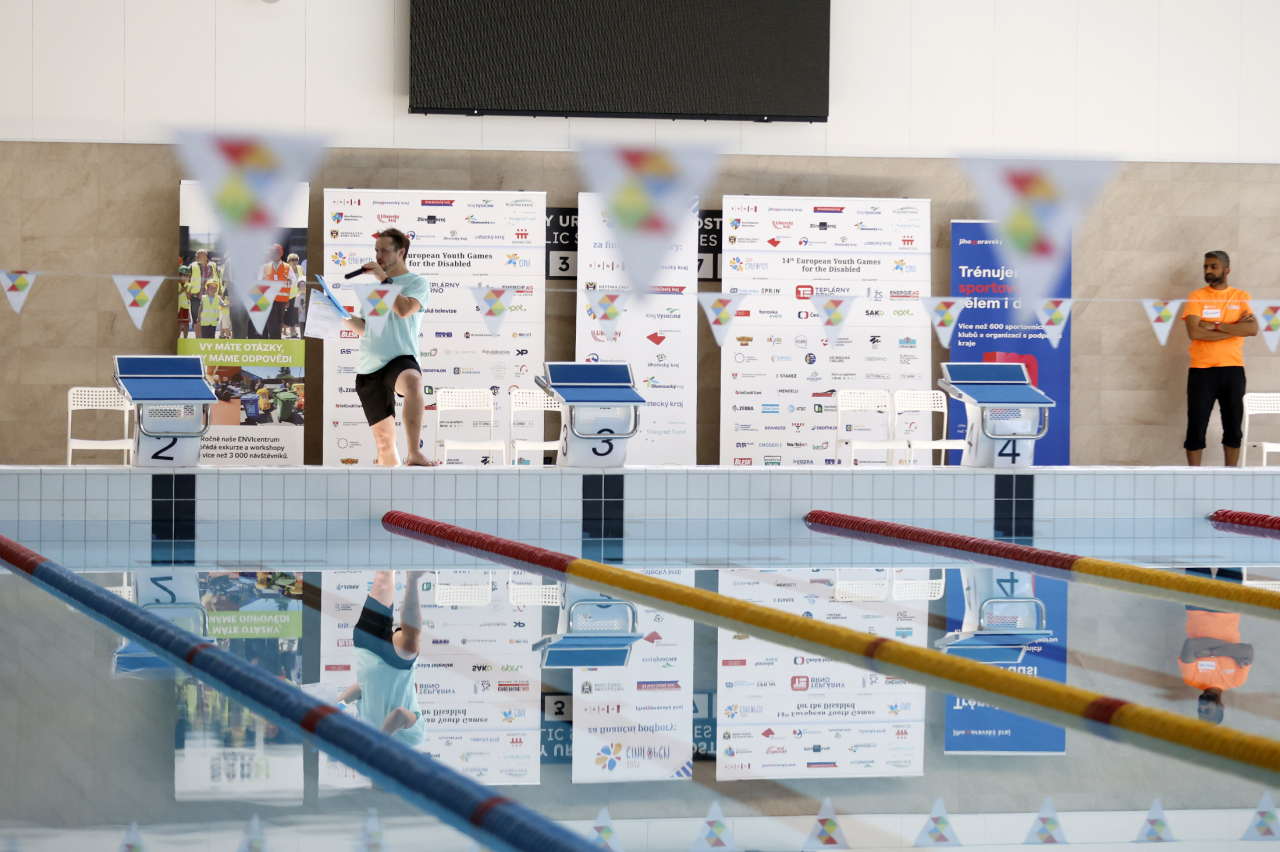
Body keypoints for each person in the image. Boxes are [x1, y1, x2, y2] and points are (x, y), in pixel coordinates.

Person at [343, 228, 438, 467]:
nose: (378, 256)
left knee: (413, 382)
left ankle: (414, 452)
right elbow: (366, 328)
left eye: (384, 250)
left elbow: (405, 310)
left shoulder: (417, 282)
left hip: (399, 358)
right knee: (384, 444)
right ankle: (392, 485)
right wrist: (340, 314)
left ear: (401, 252)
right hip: (370, 366)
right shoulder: (374, 289)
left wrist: (384, 281)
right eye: (376, 250)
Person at [1182, 251, 1257, 466]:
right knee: (1196, 426)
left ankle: (1230, 475)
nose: (1208, 270)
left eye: (1213, 266)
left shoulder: (1241, 297)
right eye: (1205, 266)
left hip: (1233, 370)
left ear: (1227, 270)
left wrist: (1214, 326)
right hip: (1201, 371)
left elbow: (1251, 329)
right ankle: (1193, 477)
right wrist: (1234, 329)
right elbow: (1194, 333)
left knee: (1233, 426)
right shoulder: (1197, 296)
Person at [337, 570, 427, 744]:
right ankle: (412, 578)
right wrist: (379, 744)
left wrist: (336, 708)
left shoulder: (367, 730)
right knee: (410, 646)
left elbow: (362, 689)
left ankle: (391, 556)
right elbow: (399, 715)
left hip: (367, 651)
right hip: (397, 663)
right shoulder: (415, 740)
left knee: (382, 581)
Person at [1178, 567, 1253, 725]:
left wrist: (1232, 650)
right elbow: (1248, 650)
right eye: (1207, 711)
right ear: (1221, 707)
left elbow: (1190, 645)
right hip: (1229, 608)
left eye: (1199, 710)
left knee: (1196, 558)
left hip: (1196, 607)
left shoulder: (1191, 679)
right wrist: (1207, 652)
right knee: (1232, 559)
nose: (1202, 706)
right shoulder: (1236, 680)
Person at [262, 244, 296, 340]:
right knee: (272, 321)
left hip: (282, 299)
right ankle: (275, 341)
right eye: (271, 253)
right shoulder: (266, 267)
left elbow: (294, 281)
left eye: (274, 253)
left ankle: (277, 340)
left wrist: (290, 280)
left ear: (281, 253)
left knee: (279, 321)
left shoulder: (287, 267)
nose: (272, 255)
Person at [189, 249, 219, 330]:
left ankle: (204, 336)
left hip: (209, 297)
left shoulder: (213, 266)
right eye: (196, 255)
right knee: (196, 318)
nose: (196, 257)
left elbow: (218, 279)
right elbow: (187, 281)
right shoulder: (192, 266)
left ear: (205, 256)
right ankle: (198, 336)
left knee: (207, 318)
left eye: (198, 255)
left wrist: (220, 292)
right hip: (196, 296)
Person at [283, 253, 303, 339]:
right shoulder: (286, 269)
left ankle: (294, 330)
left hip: (299, 294)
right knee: (290, 313)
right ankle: (289, 330)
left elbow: (304, 278)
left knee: (297, 313)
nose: (295, 262)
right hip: (289, 295)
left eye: (296, 260)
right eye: (293, 260)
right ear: (288, 261)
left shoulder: (300, 268)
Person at [176, 265, 193, 338]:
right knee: (179, 323)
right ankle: (178, 338)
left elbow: (189, 297)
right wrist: (182, 290)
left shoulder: (189, 285)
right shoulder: (176, 284)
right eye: (184, 275)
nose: (185, 277)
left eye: (187, 275)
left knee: (186, 323)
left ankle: (185, 338)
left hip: (185, 307)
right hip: (178, 307)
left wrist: (186, 291)